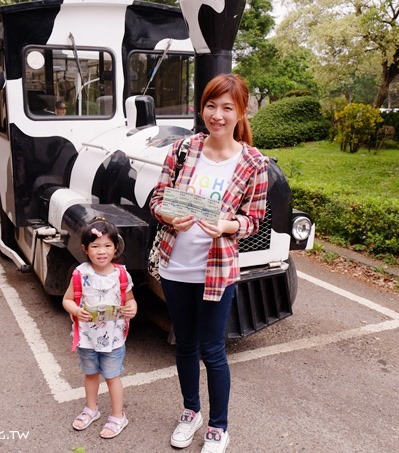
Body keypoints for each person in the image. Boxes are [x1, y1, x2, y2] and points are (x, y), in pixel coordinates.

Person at [149, 74, 268, 453]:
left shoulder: (254, 163)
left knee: (213, 349)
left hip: (217, 270)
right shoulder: (183, 150)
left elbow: (254, 218)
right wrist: (169, 217)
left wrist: (229, 225)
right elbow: (157, 199)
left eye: (226, 108)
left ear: (241, 112)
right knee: (184, 345)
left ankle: (219, 427)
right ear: (202, 108)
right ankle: (190, 412)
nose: (217, 115)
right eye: (210, 106)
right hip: (175, 265)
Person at [61, 218, 138, 439]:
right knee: (90, 374)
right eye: (95, 246)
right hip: (87, 338)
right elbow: (67, 300)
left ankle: (117, 416)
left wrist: (132, 308)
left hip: (113, 339)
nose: (101, 251)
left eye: (107, 246)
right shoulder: (80, 274)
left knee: (112, 376)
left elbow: (130, 300)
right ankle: (91, 409)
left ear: (116, 248)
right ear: (85, 249)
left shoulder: (121, 274)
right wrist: (76, 310)